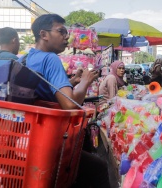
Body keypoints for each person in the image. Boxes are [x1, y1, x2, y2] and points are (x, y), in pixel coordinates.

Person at [20, 14, 109, 188]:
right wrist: (85, 81)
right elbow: (69, 104)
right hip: (48, 140)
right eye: (61, 31)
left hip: (28, 137)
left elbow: (44, 92)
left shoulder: (25, 58)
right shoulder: (50, 58)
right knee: (99, 167)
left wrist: (72, 82)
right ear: (44, 34)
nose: (66, 36)